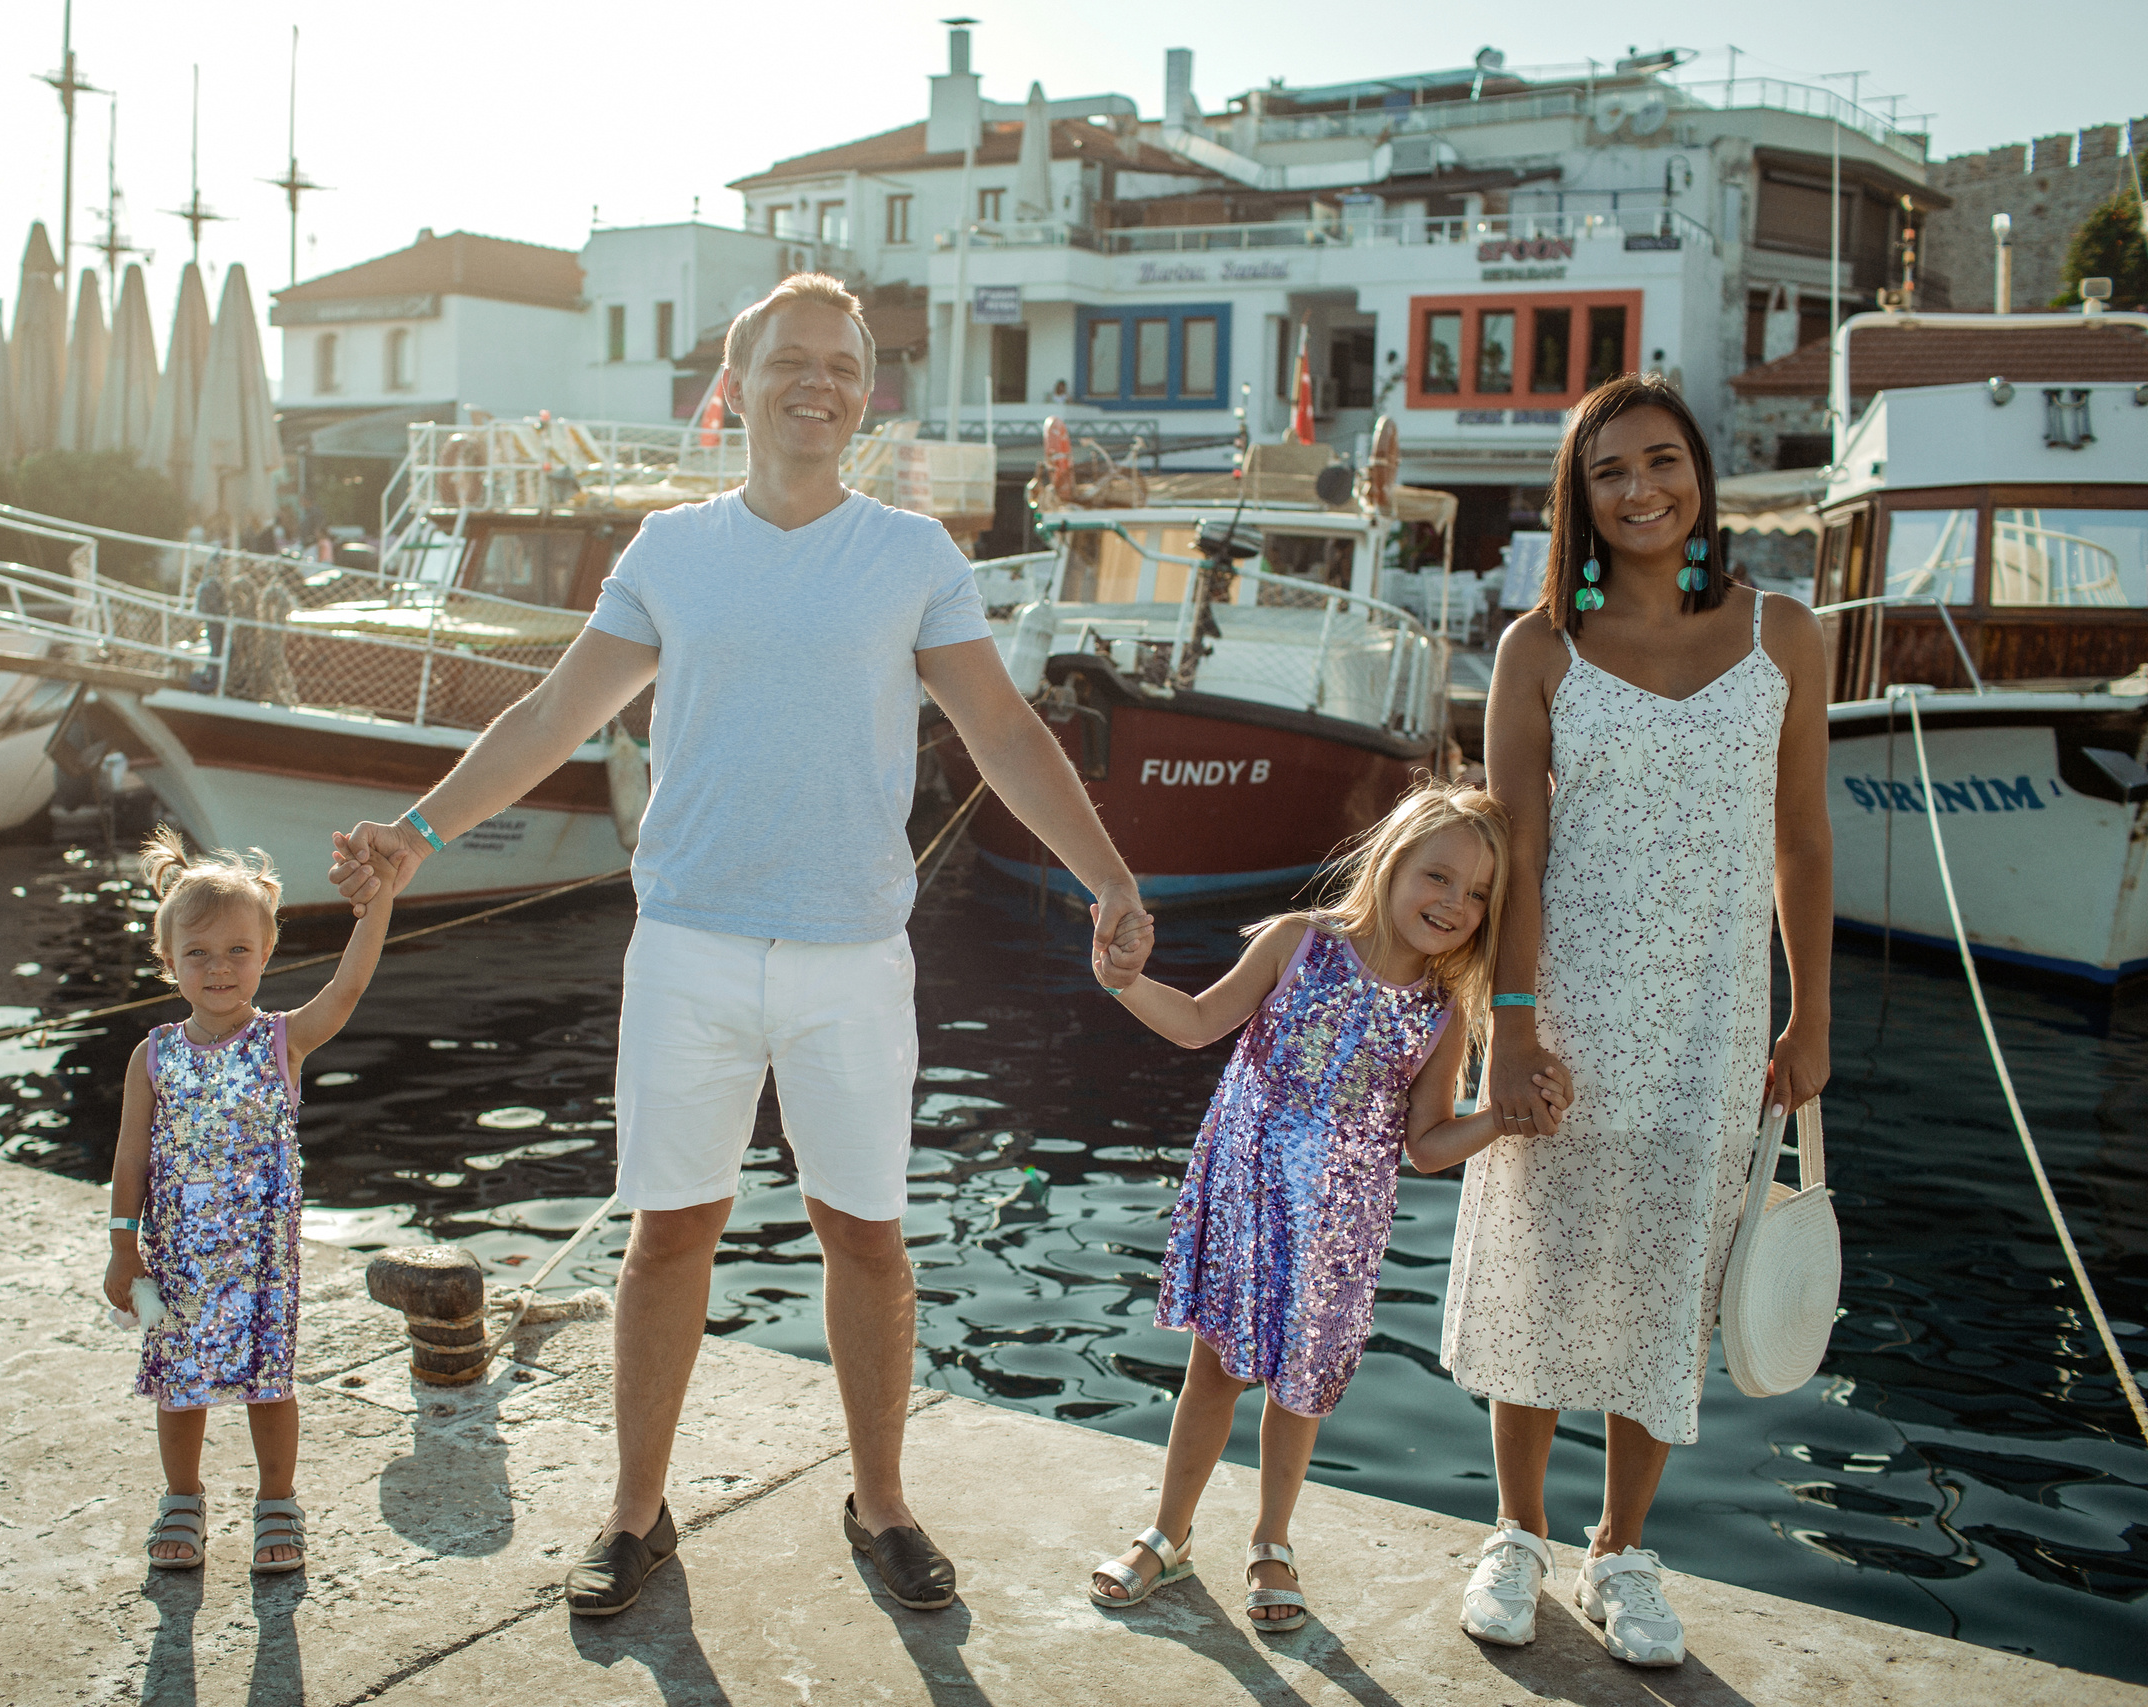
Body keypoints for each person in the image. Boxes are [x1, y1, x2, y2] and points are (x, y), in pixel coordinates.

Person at [324, 273, 1151, 1618]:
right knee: (670, 1234)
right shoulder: (669, 549)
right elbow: (550, 715)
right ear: (737, 381)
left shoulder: (913, 557)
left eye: (842, 363)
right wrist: (419, 829)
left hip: (852, 959)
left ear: (867, 393)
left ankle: (880, 1500)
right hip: (690, 948)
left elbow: (1005, 734)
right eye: (788, 362)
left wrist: (1108, 874)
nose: (815, 383)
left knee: (867, 1236)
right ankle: (636, 1513)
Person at [1444, 374, 1831, 1667]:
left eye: (1662, 462)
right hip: (1566, 1003)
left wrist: (1811, 1013)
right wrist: (1512, 1022)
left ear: (1701, 476)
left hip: (1715, 1018)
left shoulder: (1784, 631)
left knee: (1671, 1273)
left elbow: (1804, 840)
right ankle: (1516, 1528)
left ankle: (1622, 1547)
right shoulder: (1542, 645)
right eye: (1610, 471)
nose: (1642, 489)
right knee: (1541, 1265)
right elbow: (1518, 848)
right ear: (1582, 495)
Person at [1085, 781, 1567, 1631]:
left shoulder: (1441, 1011)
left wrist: (1500, 1116)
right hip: (1246, 1202)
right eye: (1439, 876)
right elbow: (1198, 1022)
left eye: (1479, 894)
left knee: (1299, 1391)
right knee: (1214, 1373)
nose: (1455, 902)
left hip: (1338, 1230)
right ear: (1390, 863)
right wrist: (1125, 985)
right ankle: (1169, 1528)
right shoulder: (1298, 943)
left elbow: (1426, 1143)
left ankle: (1272, 1539)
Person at [104, 829, 402, 1573]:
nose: (219, 968)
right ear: (169, 961)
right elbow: (131, 1155)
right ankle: (182, 1496)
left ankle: (277, 1500)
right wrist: (120, 1243)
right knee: (180, 1387)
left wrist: (377, 907)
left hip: (261, 1265)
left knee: (270, 1386)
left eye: (238, 950)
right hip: (176, 1262)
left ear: (266, 953)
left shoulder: (280, 1042)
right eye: (198, 953)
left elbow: (349, 988)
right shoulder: (154, 1055)